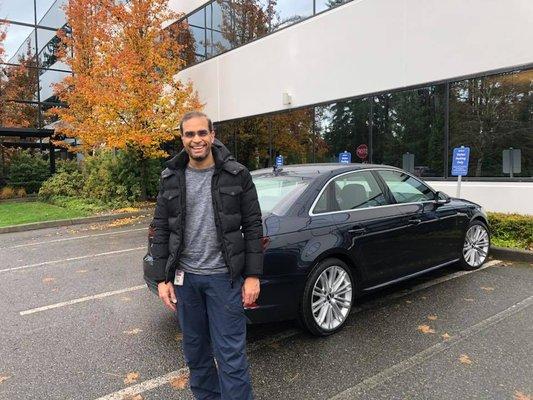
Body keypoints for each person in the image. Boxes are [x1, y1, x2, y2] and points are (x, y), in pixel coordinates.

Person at [149, 111, 263, 400]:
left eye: (202, 133)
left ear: (212, 136)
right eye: (190, 134)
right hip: (186, 281)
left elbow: (252, 226)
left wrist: (252, 276)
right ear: (182, 138)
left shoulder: (237, 174)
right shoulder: (171, 176)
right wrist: (162, 279)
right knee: (196, 356)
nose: (196, 139)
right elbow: (161, 229)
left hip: (224, 279)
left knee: (230, 358)